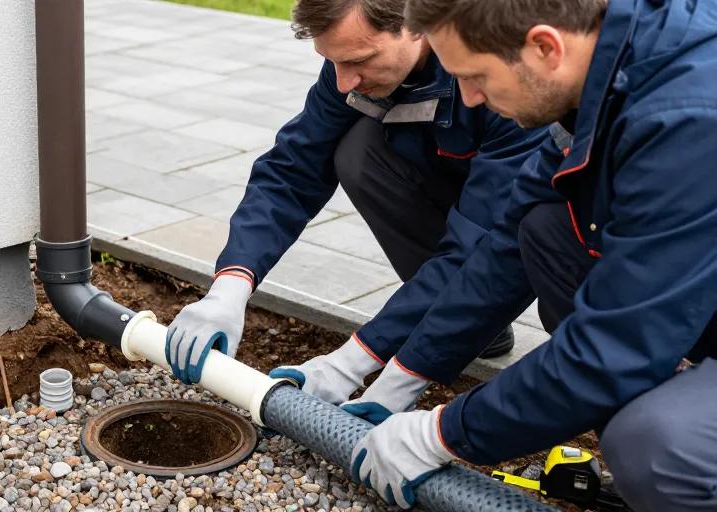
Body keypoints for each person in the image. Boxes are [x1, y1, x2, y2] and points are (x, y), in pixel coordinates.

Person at [342, 0, 717, 510]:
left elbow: (616, 344)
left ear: (545, 47)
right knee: (544, 230)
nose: (469, 99)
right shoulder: (599, 76)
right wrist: (405, 371)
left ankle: (677, 462)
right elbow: (505, 244)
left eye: (475, 76)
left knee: (657, 447)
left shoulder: (687, 117)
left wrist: (444, 433)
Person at [163, 0, 549, 406]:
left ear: (416, 25)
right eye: (332, 61)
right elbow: (292, 169)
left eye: (359, 61)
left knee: (536, 242)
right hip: (453, 173)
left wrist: (354, 362)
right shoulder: (349, 68)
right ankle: (461, 325)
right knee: (357, 153)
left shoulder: (501, 72)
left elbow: (483, 236)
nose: (344, 81)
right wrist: (230, 285)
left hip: (529, 210)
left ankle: (464, 320)